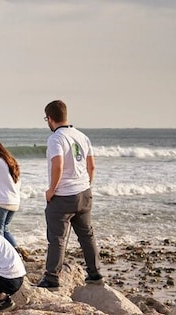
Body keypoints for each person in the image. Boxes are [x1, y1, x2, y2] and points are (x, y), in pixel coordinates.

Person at [38, 100, 104, 290]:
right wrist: (86, 185)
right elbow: (92, 166)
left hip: (63, 196)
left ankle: (51, 278)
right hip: (84, 193)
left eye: (46, 119)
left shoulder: (56, 138)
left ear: (50, 118)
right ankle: (95, 273)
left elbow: (57, 165)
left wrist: (51, 190)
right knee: (86, 235)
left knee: (57, 238)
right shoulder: (82, 136)